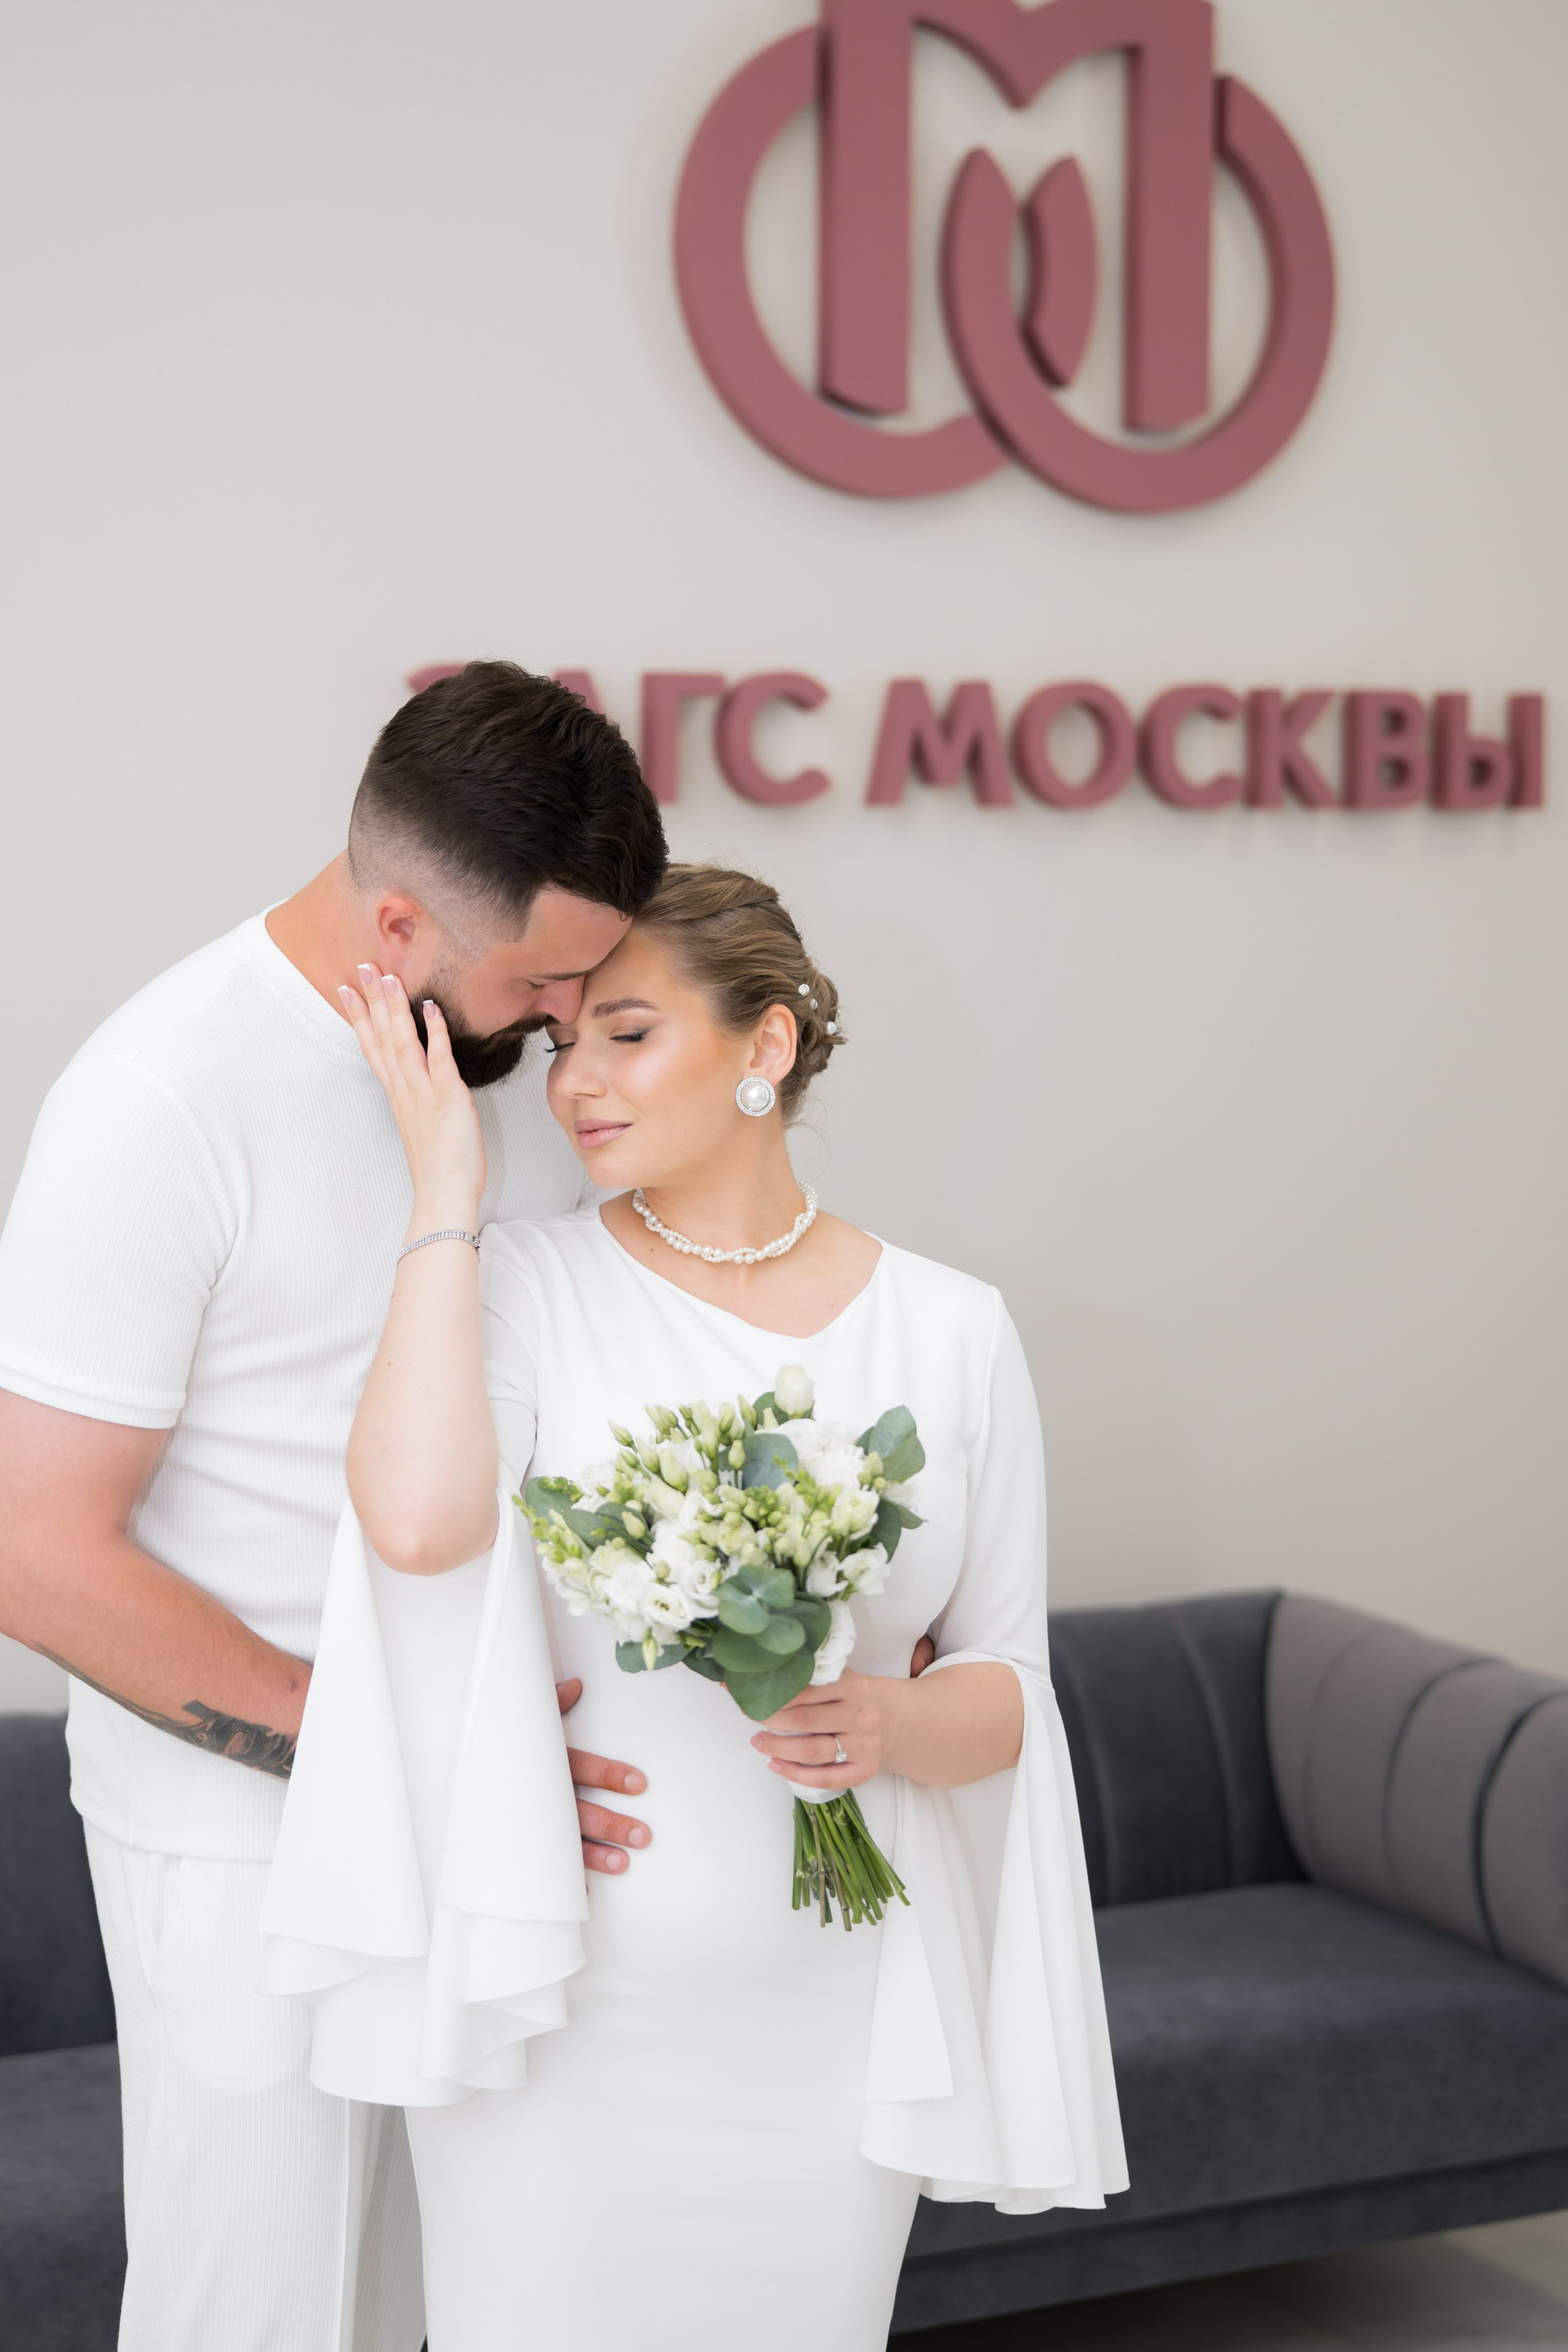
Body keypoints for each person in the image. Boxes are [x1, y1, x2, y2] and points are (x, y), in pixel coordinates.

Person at [271, 862, 1127, 2351]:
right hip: (567, 2009)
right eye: (562, 1044)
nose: (574, 1083)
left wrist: (886, 1721)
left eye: (627, 1034)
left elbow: (1004, 1689)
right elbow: (413, 1523)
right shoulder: (523, 1283)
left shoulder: (953, 1329)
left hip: (833, 2024)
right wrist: (447, 1196)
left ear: (766, 1045)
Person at [0, 664, 674, 2352]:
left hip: (489, 1809)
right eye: (545, 976)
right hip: (251, 1836)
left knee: (432, 2309)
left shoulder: (503, 1074)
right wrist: (398, 1757)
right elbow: (30, 1547)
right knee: (259, 2313)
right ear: (398, 924)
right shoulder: (161, 1097)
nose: (575, 1014)